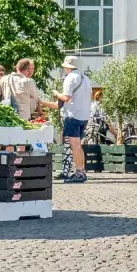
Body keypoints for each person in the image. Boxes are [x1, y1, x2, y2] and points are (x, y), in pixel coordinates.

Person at [56, 55, 93, 184]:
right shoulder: (86, 79)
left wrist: (56, 94)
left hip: (72, 115)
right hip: (84, 116)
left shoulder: (70, 79)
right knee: (79, 146)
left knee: (75, 146)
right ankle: (82, 171)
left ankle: (78, 173)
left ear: (67, 68)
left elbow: (66, 98)